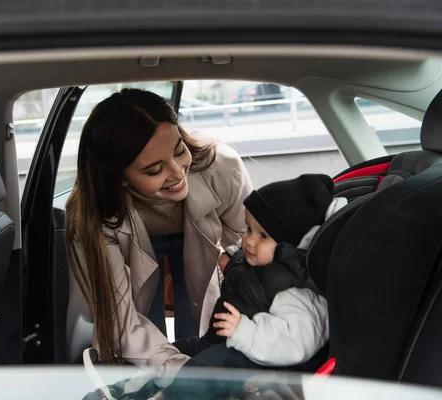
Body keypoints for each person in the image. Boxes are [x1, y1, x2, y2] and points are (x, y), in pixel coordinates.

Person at [65, 88, 253, 388]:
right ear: (120, 176)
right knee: (145, 349)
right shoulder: (92, 217)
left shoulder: (223, 168)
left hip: (201, 244)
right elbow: (121, 319)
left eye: (179, 150)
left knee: (204, 326)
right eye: (154, 169)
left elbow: (249, 245)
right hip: (137, 252)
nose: (178, 172)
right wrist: (186, 375)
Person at [164, 174, 346, 400]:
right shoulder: (265, 265)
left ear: (291, 244)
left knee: (203, 372)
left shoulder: (297, 293)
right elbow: (245, 263)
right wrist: (231, 261)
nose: (249, 240)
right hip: (222, 341)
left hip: (259, 364)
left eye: (263, 235)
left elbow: (293, 343)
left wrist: (243, 331)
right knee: (172, 351)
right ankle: (153, 379)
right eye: (248, 229)